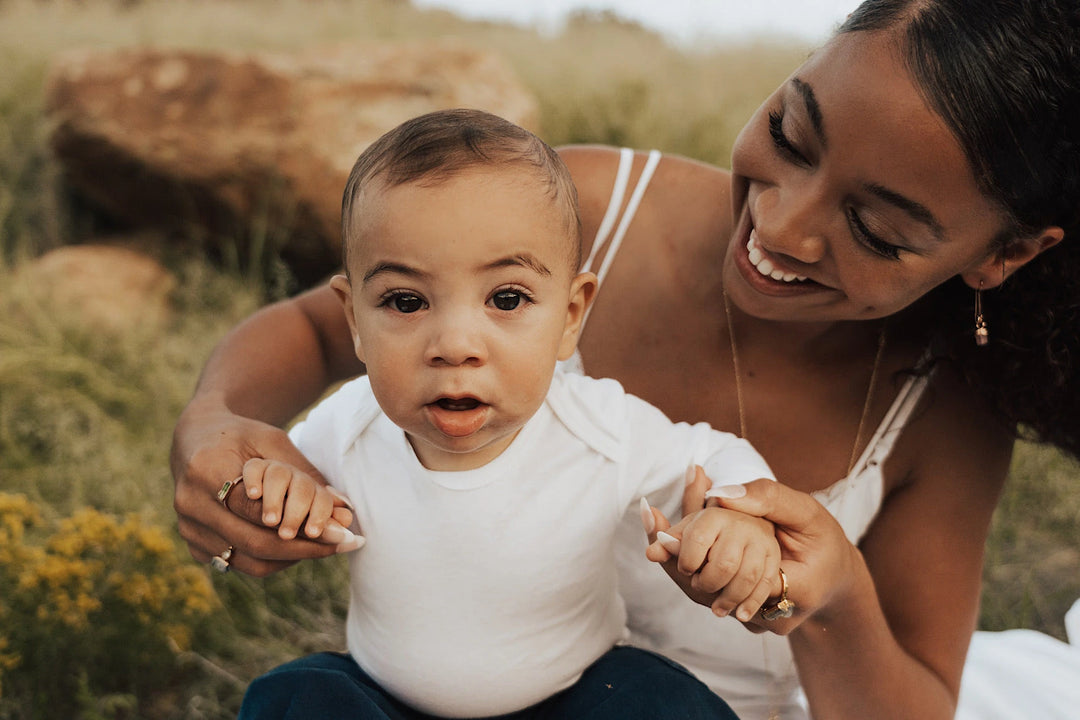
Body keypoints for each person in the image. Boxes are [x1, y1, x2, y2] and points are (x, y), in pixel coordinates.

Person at [170, 1, 1080, 718]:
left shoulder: (945, 412)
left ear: (1006, 254)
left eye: (875, 230)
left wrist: (836, 595)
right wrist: (217, 422)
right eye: (791, 135)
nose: (782, 224)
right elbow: (317, 326)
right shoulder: (590, 207)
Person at [235, 108, 780, 720]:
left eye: (507, 298)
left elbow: (714, 450)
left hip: (575, 695)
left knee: (666, 703)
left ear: (571, 315)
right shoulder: (349, 424)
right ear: (355, 319)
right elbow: (276, 472)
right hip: (387, 700)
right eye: (406, 301)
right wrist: (274, 492)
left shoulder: (597, 427)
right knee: (296, 697)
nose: (456, 344)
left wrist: (738, 515)